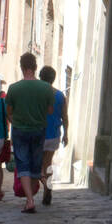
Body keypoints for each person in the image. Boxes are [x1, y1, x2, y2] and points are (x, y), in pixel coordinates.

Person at [5, 53, 55, 213]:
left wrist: (16, 122)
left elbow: (9, 112)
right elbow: (50, 110)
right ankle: (31, 196)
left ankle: (30, 200)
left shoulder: (13, 88)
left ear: (22, 67)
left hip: (20, 130)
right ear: (35, 67)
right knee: (35, 164)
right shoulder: (46, 88)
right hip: (39, 129)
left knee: (23, 163)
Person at [38, 66, 69, 207]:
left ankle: (43, 182)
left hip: (38, 134)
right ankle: (47, 187)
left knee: (38, 165)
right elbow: (64, 116)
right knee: (48, 163)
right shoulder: (60, 96)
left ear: (40, 77)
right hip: (54, 135)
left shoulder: (36, 94)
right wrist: (66, 134)